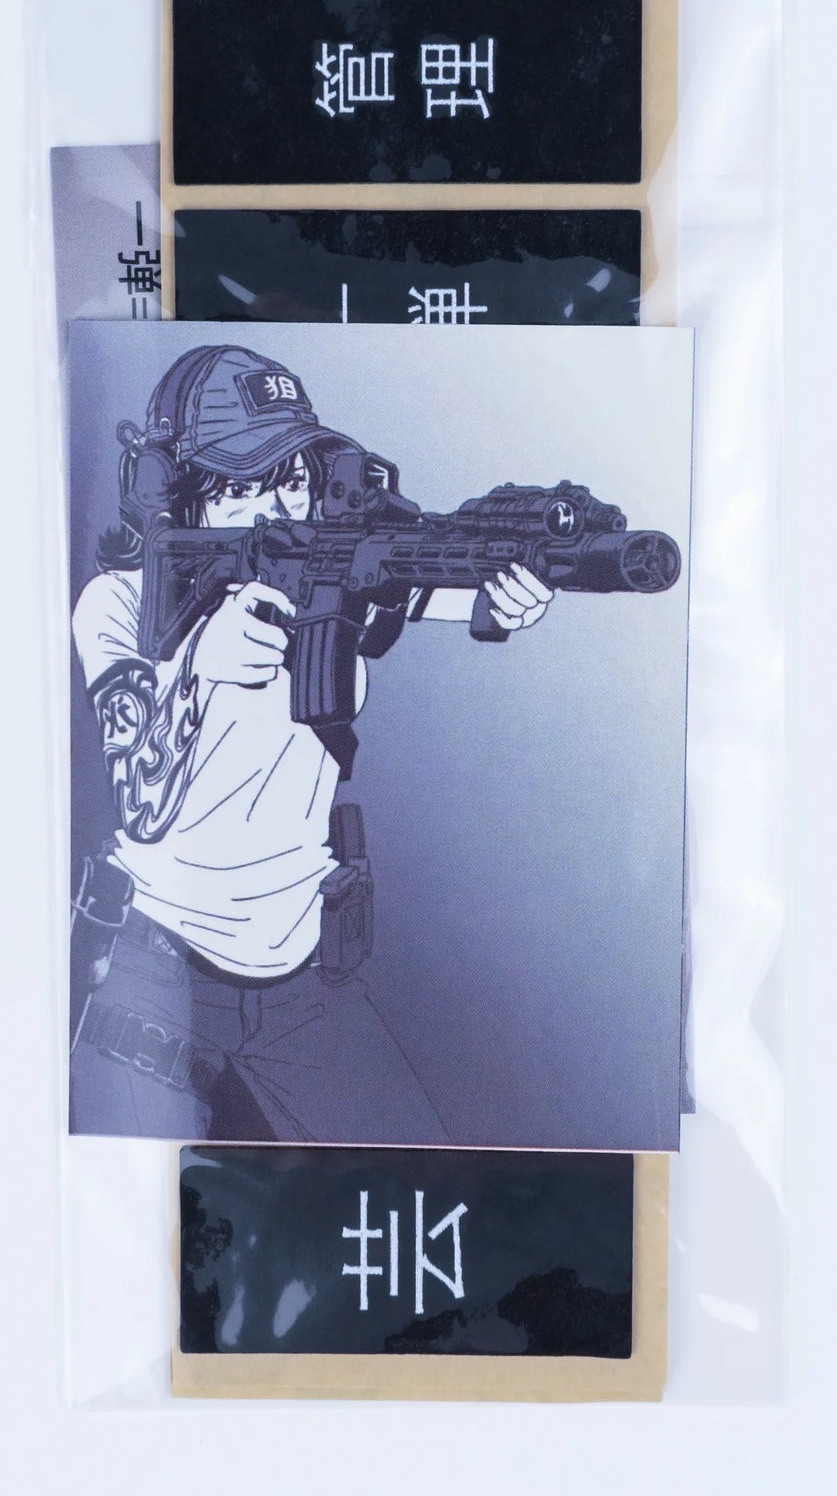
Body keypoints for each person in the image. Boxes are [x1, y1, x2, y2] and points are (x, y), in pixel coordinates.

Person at [70, 343, 552, 1142]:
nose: (279, 511)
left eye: (292, 479)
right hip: (150, 975)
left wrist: (508, 592)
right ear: (177, 495)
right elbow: (138, 801)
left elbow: (448, 582)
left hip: (305, 979)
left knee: (417, 1170)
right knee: (135, 1198)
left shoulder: (336, 572)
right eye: (242, 487)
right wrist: (197, 671)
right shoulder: (118, 603)